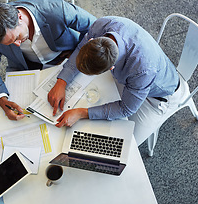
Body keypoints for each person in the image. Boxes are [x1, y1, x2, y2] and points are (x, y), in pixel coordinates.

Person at [48, 16, 187, 146]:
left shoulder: (142, 69)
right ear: (92, 41)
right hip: (132, 82)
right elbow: (80, 49)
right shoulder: (102, 25)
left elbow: (125, 109)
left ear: (111, 68)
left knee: (127, 143)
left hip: (159, 98)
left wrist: (81, 113)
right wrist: (62, 81)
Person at [0, 0, 96, 120]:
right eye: (9, 43)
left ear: (19, 17)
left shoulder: (58, 10)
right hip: (26, 67)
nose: (18, 44)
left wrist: (75, 55)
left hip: (67, 56)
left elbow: (95, 28)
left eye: (17, 37)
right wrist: (1, 99)